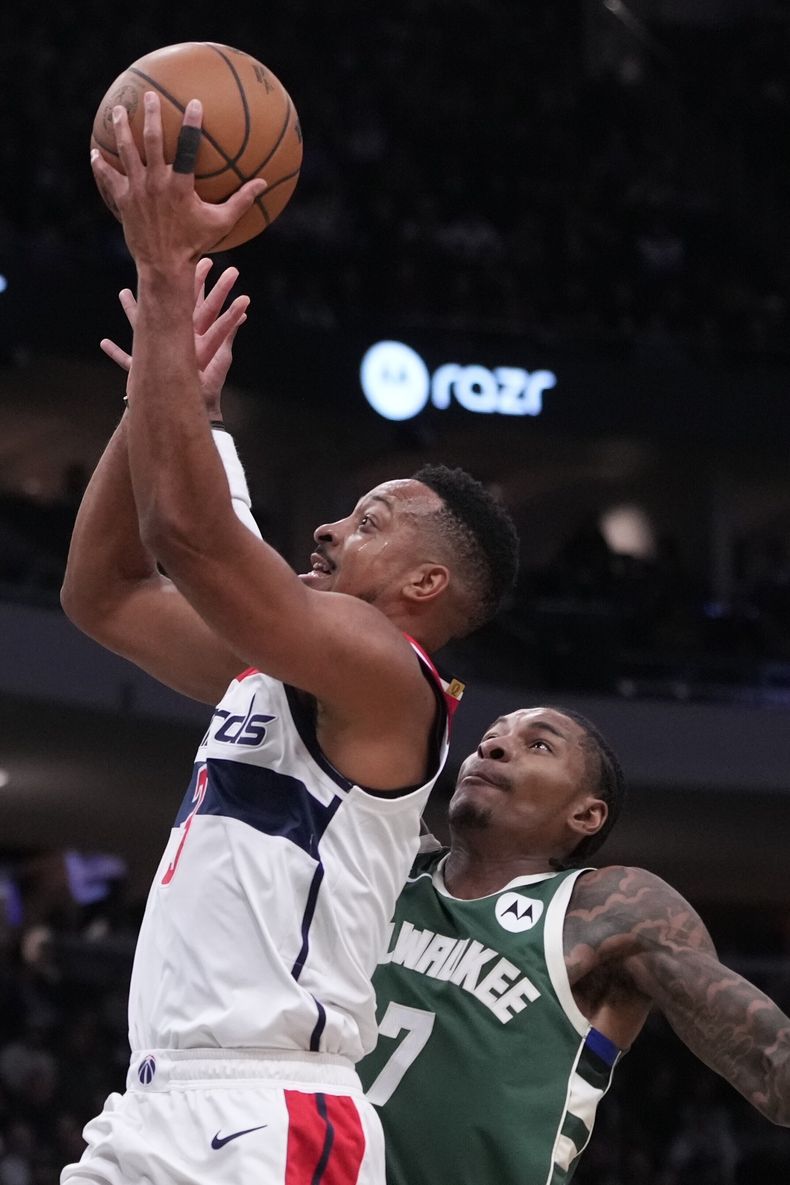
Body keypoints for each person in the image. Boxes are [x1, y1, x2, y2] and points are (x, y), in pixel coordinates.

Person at [60, 96, 519, 1185]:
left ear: (424, 582)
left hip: (271, 1118)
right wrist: (154, 400)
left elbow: (195, 538)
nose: (330, 526)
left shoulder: (387, 683)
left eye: (369, 522)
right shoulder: (276, 673)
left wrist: (166, 279)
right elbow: (104, 592)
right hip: (155, 1103)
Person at [356, 705, 790, 1184]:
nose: (492, 747)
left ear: (586, 814)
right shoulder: (386, 868)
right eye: (489, 737)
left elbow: (772, 1063)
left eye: (538, 744)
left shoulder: (610, 909)